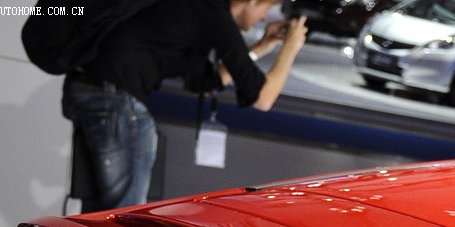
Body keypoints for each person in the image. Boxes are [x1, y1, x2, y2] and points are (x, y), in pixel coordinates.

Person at [62, 0, 308, 212]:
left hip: (88, 90)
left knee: (95, 215)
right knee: (121, 214)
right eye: (266, 8)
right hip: (117, 100)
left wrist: (262, 47)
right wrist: (291, 48)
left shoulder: (195, 10)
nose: (264, 17)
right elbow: (264, 98)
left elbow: (206, 81)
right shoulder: (214, 12)